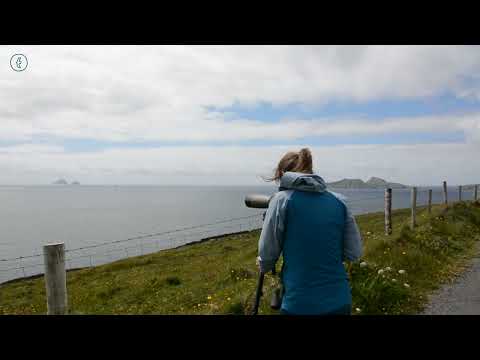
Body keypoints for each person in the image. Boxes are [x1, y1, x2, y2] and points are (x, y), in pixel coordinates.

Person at [257, 148, 363, 315]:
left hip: (299, 304)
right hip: (340, 302)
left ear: (282, 174)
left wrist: (265, 265)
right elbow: (354, 253)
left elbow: (267, 256)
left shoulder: (282, 200)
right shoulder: (340, 201)